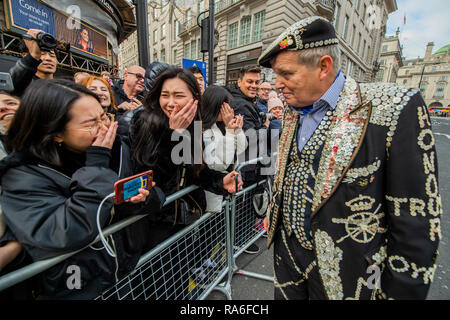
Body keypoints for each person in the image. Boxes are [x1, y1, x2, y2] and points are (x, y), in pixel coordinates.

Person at [259, 16, 442, 300]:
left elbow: (416, 221)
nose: (276, 85)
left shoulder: (396, 107)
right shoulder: (295, 108)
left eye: (286, 74)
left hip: (350, 275)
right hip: (287, 260)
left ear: (324, 67)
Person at [0, 79, 165, 299]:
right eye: (90, 123)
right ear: (55, 132)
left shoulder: (118, 149)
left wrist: (142, 199)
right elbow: (67, 231)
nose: (104, 127)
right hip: (78, 287)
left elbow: (161, 192)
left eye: (104, 116)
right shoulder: (22, 175)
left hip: (125, 271)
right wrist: (97, 166)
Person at [129, 67, 242, 248]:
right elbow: (150, 175)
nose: (171, 103)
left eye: (179, 95)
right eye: (165, 95)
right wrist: (173, 134)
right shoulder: (145, 121)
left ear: (194, 99)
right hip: (157, 224)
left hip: (187, 218)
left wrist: (220, 181)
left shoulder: (193, 125)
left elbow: (195, 171)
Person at [201, 85, 247, 212]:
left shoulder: (221, 126)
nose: (229, 109)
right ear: (215, 105)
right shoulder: (203, 130)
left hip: (227, 193)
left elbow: (242, 148)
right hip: (212, 198)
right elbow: (220, 165)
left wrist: (236, 130)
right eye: (225, 105)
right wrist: (230, 131)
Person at [9, 29, 57, 97]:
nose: (48, 58)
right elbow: (13, 84)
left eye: (52, 56)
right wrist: (34, 56)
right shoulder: (23, 85)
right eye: (41, 54)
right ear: (25, 56)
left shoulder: (64, 88)